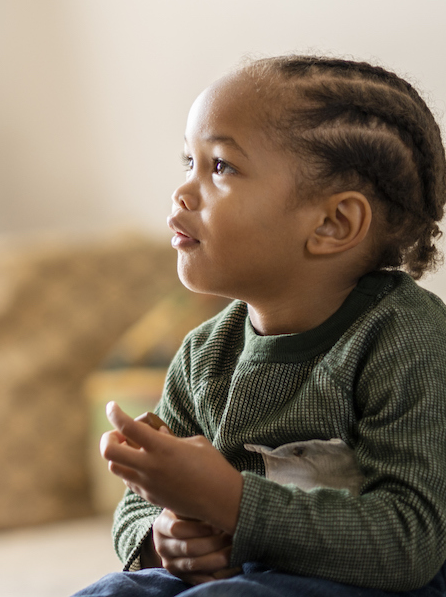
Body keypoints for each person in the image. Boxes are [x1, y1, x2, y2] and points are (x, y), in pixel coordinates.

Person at [73, 56, 446, 596]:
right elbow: (137, 508)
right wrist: (165, 535)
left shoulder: (407, 338)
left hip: (382, 585)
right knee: (111, 591)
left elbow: (411, 542)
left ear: (332, 223)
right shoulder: (205, 353)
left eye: (220, 167)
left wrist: (230, 503)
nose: (183, 192)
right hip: (242, 574)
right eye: (188, 162)